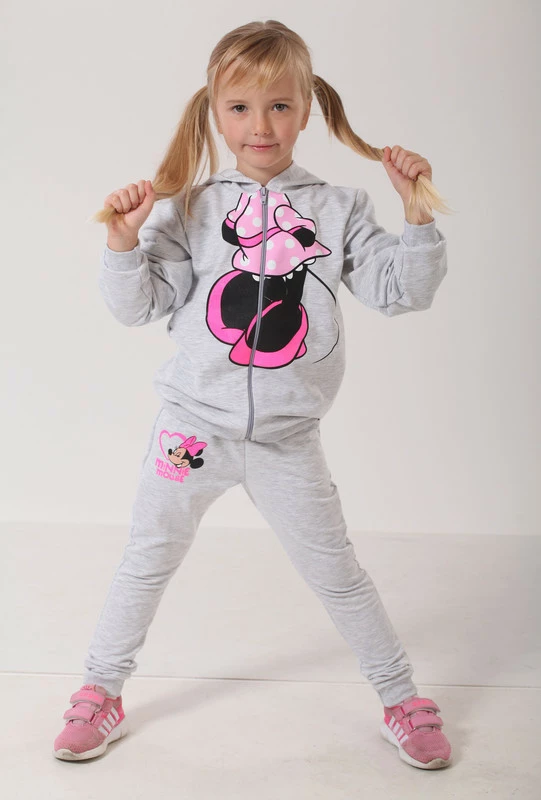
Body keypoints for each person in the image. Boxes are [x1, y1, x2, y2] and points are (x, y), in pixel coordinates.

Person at [54, 19, 453, 770]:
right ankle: (99, 689)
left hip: (286, 438)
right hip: (190, 431)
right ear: (214, 112)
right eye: (239, 107)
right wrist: (122, 242)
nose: (259, 125)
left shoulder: (339, 207)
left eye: (278, 106)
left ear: (306, 111)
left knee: (337, 574)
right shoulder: (190, 207)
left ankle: (400, 699)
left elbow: (402, 292)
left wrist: (417, 213)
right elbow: (137, 307)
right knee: (146, 559)